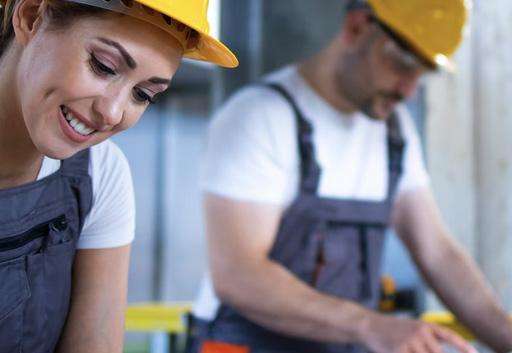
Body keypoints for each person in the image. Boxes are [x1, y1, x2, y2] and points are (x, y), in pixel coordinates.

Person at [190, 1, 512, 353]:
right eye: (403, 64)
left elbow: (438, 254)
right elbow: (239, 275)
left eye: (422, 73)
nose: (408, 90)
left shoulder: (394, 131)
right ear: (358, 28)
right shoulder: (259, 118)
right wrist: (370, 325)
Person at [0, 0, 237, 352]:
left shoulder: (100, 175)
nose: (111, 113)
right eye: (104, 66)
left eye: (143, 95)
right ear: (31, 16)